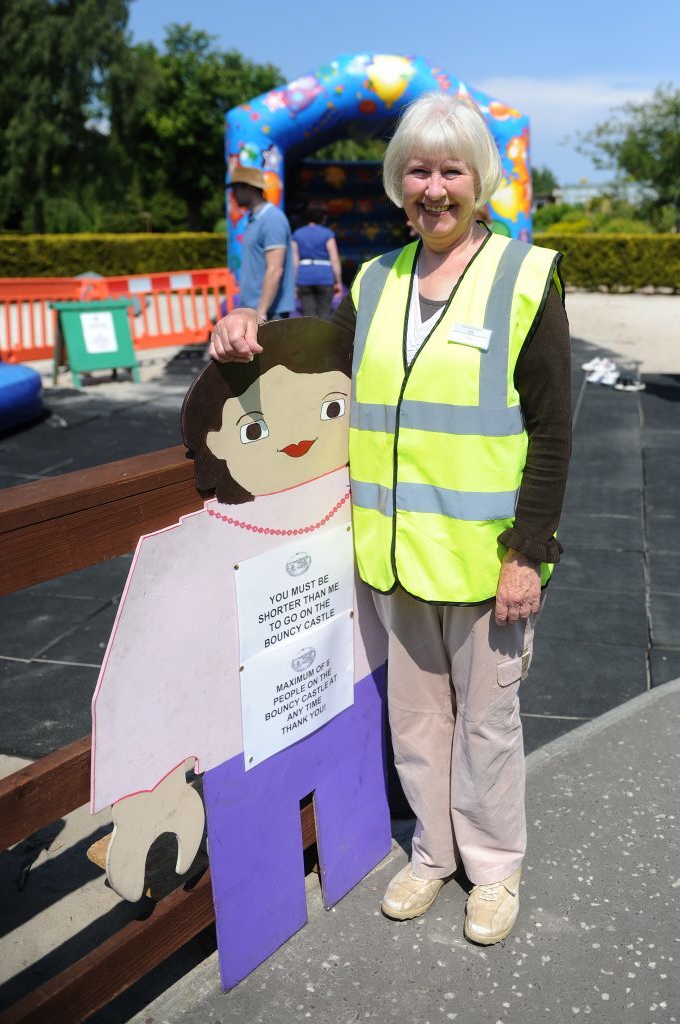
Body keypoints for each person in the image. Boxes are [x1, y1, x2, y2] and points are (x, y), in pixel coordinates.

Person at [209, 92, 572, 947]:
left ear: (478, 182)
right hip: (395, 555)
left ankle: (492, 865)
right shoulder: (374, 282)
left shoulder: (525, 277)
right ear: (396, 183)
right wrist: (247, 326)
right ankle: (432, 852)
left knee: (486, 723)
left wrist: (529, 553)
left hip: (487, 560)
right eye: (417, 170)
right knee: (413, 720)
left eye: (451, 170)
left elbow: (553, 428)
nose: (433, 188)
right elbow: (306, 360)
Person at [228, 165, 295, 322]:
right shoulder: (253, 219)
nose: (232, 194)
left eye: (235, 188)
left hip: (269, 313)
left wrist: (261, 311)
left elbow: (275, 269)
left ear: (249, 188)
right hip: (255, 310)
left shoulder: (272, 219)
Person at [291, 203, 343, 320]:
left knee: (308, 316)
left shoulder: (297, 234)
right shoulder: (327, 233)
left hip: (304, 277)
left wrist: (294, 282)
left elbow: (295, 260)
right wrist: (338, 281)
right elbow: (334, 259)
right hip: (324, 277)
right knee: (325, 314)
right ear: (323, 217)